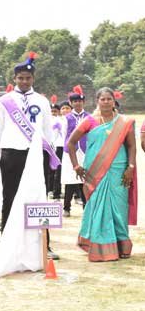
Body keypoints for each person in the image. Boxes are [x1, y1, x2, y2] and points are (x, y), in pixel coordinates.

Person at [0, 53, 60, 260]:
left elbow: (47, 129)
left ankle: (44, 243)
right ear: (14, 79)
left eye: (27, 78)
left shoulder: (42, 101)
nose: (24, 81)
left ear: (33, 79)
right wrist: (6, 149)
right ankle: (6, 237)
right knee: (9, 195)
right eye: (20, 78)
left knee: (39, 196)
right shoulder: (4, 101)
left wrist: (48, 152)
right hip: (11, 153)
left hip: (37, 154)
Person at [68, 87, 137, 262]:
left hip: (119, 171)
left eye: (109, 99)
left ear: (114, 101)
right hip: (96, 171)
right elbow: (71, 143)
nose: (106, 102)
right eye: (102, 99)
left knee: (119, 208)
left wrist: (131, 166)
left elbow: (131, 146)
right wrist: (76, 165)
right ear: (97, 101)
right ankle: (99, 246)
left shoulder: (124, 122)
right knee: (98, 206)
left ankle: (121, 246)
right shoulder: (89, 121)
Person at [61, 87, 89, 217]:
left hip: (85, 151)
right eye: (74, 101)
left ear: (83, 102)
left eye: (79, 101)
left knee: (85, 180)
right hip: (70, 153)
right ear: (71, 103)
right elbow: (63, 135)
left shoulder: (89, 117)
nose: (77, 103)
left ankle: (86, 206)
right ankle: (66, 208)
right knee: (70, 180)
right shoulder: (67, 118)